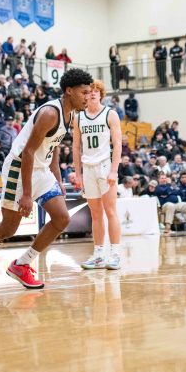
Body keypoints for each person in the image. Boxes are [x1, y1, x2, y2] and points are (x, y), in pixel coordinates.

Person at [0, 68, 94, 291]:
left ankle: (22, 264)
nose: (88, 97)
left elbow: (51, 149)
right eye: (84, 92)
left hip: (41, 169)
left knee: (62, 219)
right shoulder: (50, 113)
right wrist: (26, 194)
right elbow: (28, 152)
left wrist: (58, 179)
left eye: (90, 92)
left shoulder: (71, 114)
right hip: (20, 168)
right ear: (69, 91)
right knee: (8, 229)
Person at [72, 79, 122, 270]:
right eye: (89, 91)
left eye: (96, 91)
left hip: (105, 166)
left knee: (110, 211)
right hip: (88, 168)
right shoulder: (79, 117)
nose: (92, 93)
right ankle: (99, 254)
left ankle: (115, 254)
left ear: (101, 94)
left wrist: (114, 170)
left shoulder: (110, 114)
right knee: (95, 214)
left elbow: (117, 144)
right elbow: (76, 147)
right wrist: (77, 173)